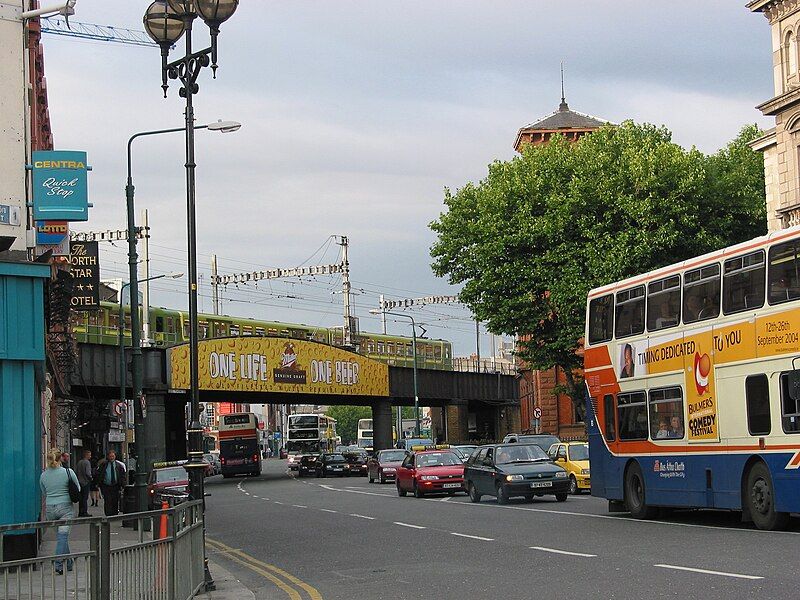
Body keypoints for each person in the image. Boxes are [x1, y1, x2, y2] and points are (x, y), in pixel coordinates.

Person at [39, 448, 80, 575]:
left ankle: (69, 562)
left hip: (50, 509)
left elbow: (44, 492)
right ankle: (58, 563)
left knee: (61, 537)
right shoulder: (68, 472)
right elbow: (77, 488)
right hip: (65, 508)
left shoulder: (43, 475)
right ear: (60, 458)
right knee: (62, 537)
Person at [95, 450, 126, 516]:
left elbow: (122, 476)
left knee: (115, 500)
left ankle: (114, 513)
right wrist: (98, 483)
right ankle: (108, 514)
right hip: (106, 486)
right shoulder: (104, 465)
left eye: (113, 456)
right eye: (110, 456)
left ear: (115, 456)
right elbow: (99, 474)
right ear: (108, 457)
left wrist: (123, 485)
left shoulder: (119, 466)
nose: (111, 458)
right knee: (107, 500)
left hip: (116, 486)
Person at [75, 449, 93, 517]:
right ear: (86, 455)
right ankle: (84, 512)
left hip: (79, 482)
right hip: (85, 482)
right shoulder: (87, 462)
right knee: (85, 498)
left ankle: (80, 512)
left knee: (81, 498)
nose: (90, 456)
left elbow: (76, 471)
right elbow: (88, 473)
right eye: (89, 455)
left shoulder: (79, 462)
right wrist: (91, 478)